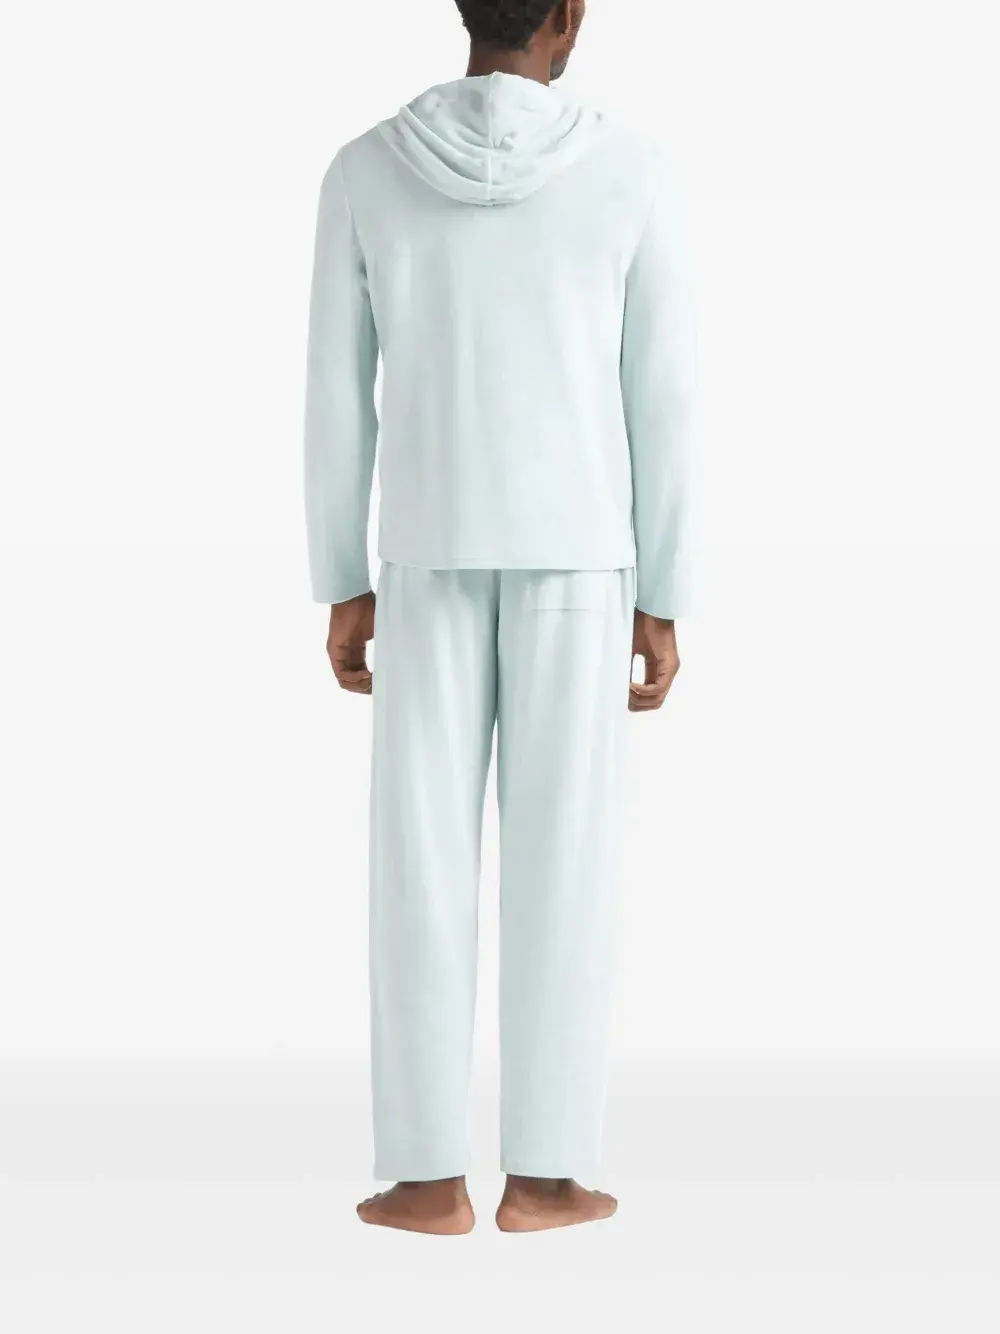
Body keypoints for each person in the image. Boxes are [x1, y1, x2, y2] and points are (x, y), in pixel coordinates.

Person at [304, 0, 695, 1235]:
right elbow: (664, 395)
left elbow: (334, 390)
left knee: (417, 861)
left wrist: (341, 575)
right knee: (564, 860)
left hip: (424, 552)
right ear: (568, 17)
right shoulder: (632, 171)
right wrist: (664, 593)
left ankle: (425, 1177)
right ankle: (546, 1174)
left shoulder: (365, 170)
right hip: (579, 559)